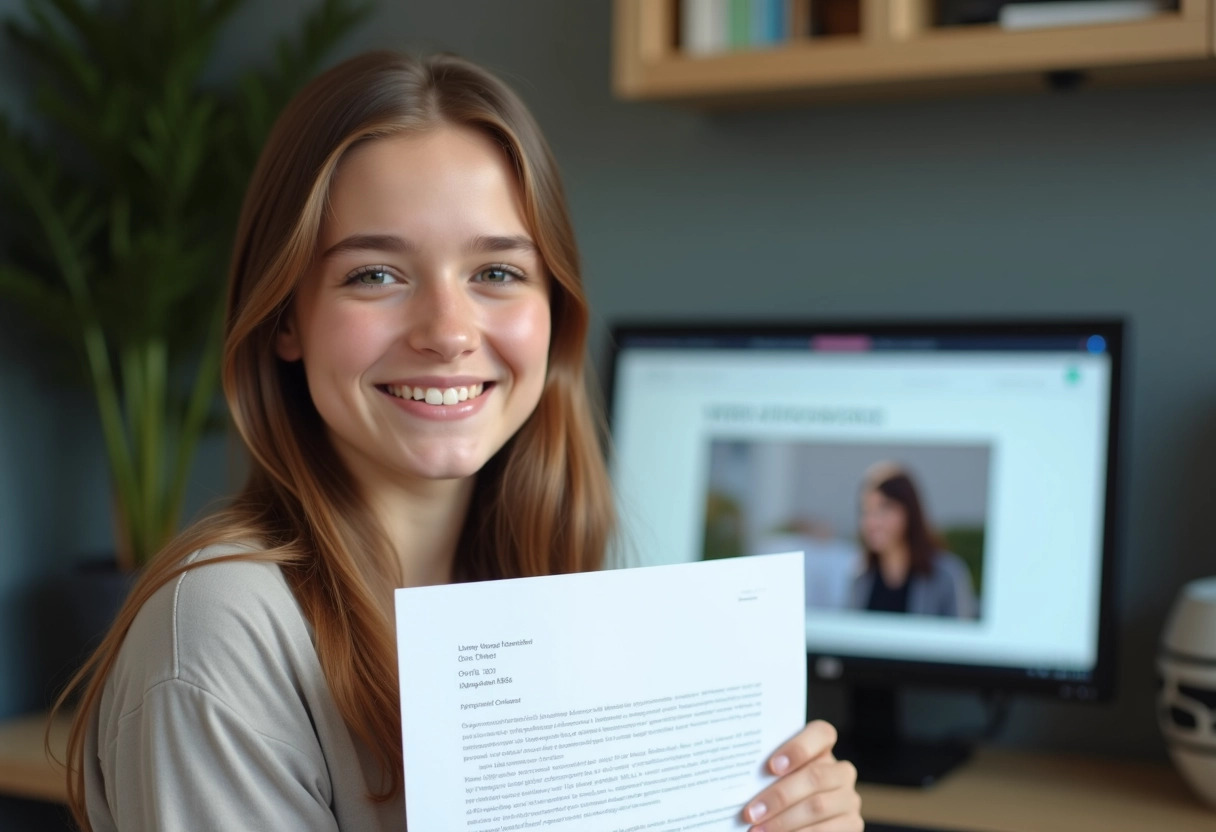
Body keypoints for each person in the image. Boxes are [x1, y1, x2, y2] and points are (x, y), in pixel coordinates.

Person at [54, 52, 863, 832]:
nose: (447, 333)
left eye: (498, 274)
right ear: (286, 318)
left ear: (555, 312)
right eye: (376, 274)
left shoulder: (553, 588)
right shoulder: (223, 627)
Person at [851, 463, 978, 618]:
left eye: (884, 509)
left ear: (909, 511)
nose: (872, 522)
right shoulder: (860, 575)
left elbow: (961, 636)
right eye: (866, 511)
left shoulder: (947, 575)